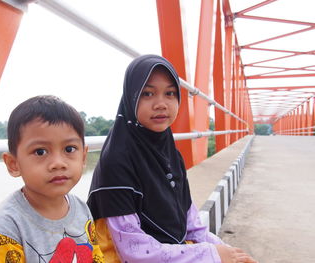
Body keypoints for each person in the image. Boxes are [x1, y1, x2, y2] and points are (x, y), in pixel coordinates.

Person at [87, 55, 257, 263]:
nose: (161, 104)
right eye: (147, 93)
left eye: (170, 93)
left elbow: (191, 223)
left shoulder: (170, 153)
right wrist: (211, 255)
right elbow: (133, 251)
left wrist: (225, 250)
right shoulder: (117, 160)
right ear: (131, 98)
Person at [0, 95, 104, 263]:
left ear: (84, 157)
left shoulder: (81, 209)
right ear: (13, 164)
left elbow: (96, 257)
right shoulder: (4, 228)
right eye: (40, 152)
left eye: (69, 149)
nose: (58, 163)